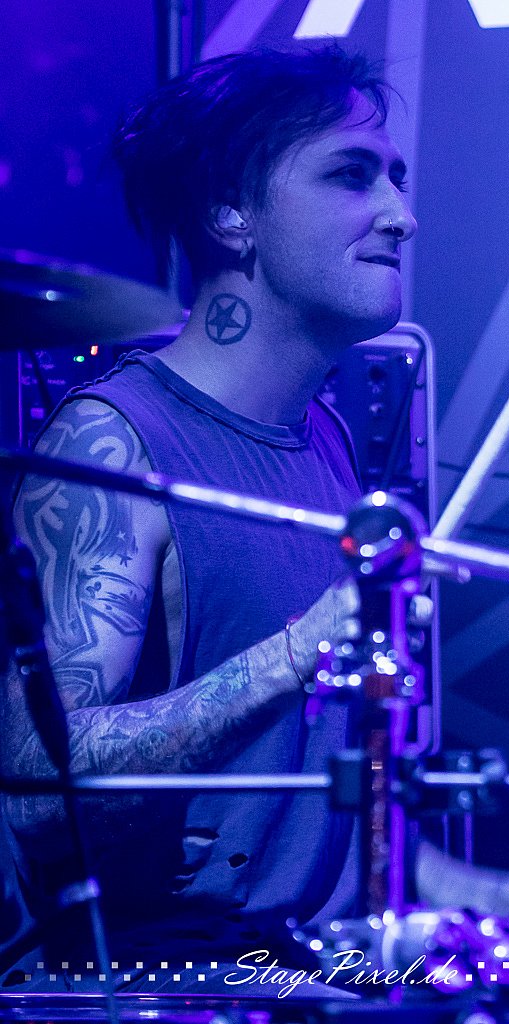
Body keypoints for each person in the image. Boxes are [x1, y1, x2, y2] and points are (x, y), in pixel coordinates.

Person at [0, 45, 418, 991]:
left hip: (293, 964)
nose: (400, 214)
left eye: (395, 178)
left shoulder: (322, 435)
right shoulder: (110, 446)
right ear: (231, 213)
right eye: (352, 175)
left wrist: (448, 886)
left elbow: (283, 809)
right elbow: (34, 792)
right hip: (150, 983)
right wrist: (297, 652)